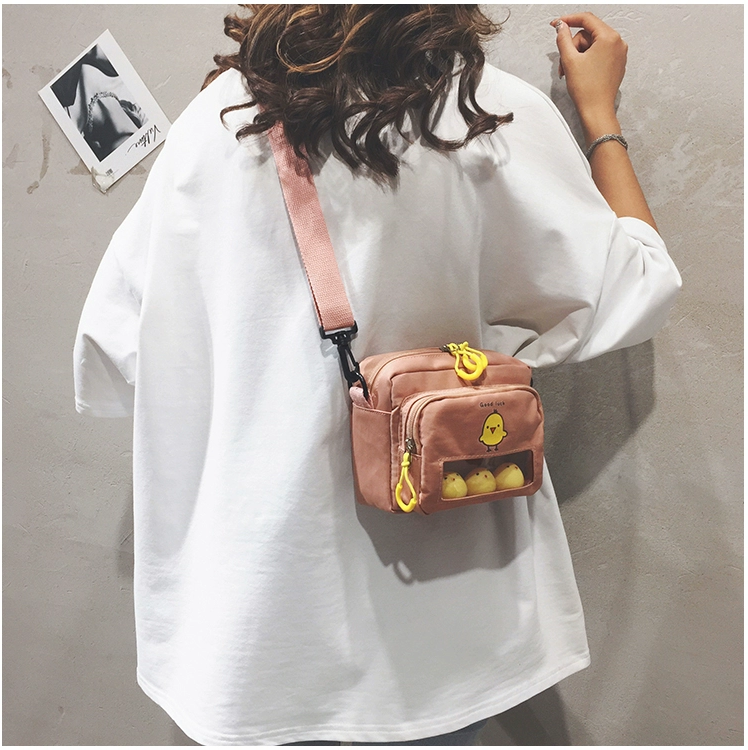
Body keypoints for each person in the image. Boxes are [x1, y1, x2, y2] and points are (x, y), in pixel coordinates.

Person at [73, 7, 681, 746]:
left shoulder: (218, 121)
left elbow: (113, 348)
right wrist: (600, 117)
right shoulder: (484, 114)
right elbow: (638, 285)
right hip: (443, 626)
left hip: (254, 628)